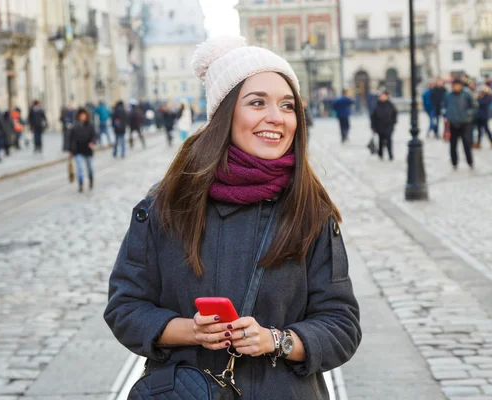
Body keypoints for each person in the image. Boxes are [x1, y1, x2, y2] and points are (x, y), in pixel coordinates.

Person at [104, 35, 361, 399]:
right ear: (225, 113)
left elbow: (342, 325)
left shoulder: (309, 210)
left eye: (288, 106)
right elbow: (125, 307)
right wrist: (189, 331)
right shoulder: (167, 205)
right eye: (258, 103)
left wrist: (278, 340)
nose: (276, 117)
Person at [444, 78, 476, 170]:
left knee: (466, 144)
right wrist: (445, 113)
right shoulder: (449, 95)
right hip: (452, 123)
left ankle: (470, 162)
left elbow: (474, 106)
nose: (456, 87)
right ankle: (454, 163)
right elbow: (444, 106)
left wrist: (468, 113)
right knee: (453, 145)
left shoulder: (467, 94)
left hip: (465, 123)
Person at [70, 107, 97, 192]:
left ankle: (91, 180)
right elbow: (71, 139)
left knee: (89, 167)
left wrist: (92, 142)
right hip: (78, 150)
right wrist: (71, 150)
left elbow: (94, 136)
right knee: (79, 168)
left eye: (83, 115)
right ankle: (80, 183)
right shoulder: (75, 126)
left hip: (87, 149)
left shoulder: (90, 125)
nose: (82, 117)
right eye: (81, 116)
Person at [370, 90, 398, 161]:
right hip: (379, 126)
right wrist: (373, 126)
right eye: (381, 96)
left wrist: (393, 122)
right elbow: (373, 116)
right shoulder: (376, 105)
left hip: (389, 125)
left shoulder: (390, 104)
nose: (383, 97)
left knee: (389, 140)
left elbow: (395, 113)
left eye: (384, 96)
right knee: (381, 140)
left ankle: (390, 154)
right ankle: (380, 154)